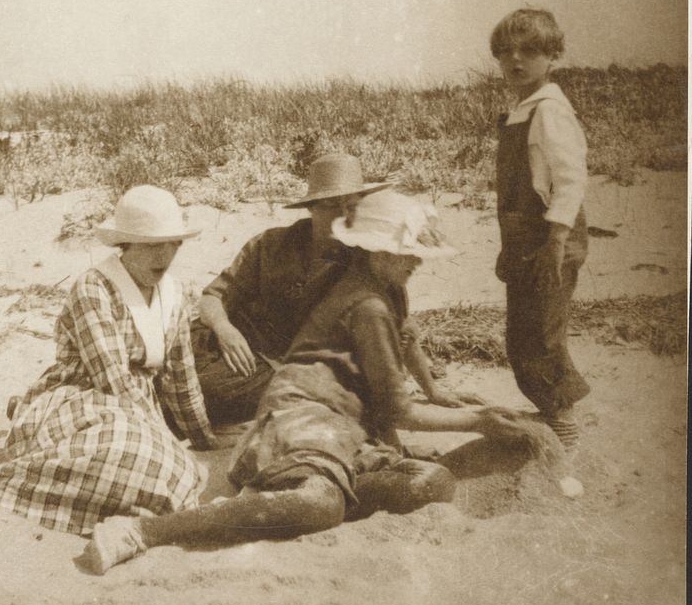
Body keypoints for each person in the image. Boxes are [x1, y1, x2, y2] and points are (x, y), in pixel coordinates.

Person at [82, 191, 528, 573]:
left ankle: (272, 501)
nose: (414, 261)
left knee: (430, 483)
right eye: (405, 253)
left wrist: (436, 391)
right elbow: (399, 410)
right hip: (303, 412)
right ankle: (143, 531)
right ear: (377, 250)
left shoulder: (377, 284)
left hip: (344, 421)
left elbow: (404, 338)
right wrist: (480, 420)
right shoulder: (358, 295)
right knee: (320, 507)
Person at [0, 185, 216, 535]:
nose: (163, 256)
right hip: (83, 397)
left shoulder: (175, 294)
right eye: (151, 245)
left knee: (163, 464)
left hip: (136, 409)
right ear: (126, 245)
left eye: (172, 244)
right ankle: (8, 483)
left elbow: (181, 375)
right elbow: (112, 379)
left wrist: (203, 436)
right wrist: (160, 437)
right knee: (134, 451)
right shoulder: (94, 287)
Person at [191, 153, 391, 424]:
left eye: (351, 205)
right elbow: (212, 297)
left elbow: (396, 326)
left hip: (277, 367)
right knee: (173, 356)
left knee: (208, 391)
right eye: (331, 204)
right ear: (312, 207)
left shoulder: (365, 260)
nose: (343, 214)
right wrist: (225, 330)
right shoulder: (272, 244)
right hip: (230, 340)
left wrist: (432, 391)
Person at [490, 7, 590, 450]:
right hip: (524, 239)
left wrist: (555, 241)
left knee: (542, 333)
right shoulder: (523, 109)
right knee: (523, 331)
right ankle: (551, 408)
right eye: (505, 52)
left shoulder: (549, 110)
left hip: (550, 239)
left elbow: (570, 180)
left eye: (529, 51)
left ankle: (562, 421)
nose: (516, 61)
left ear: (553, 57)